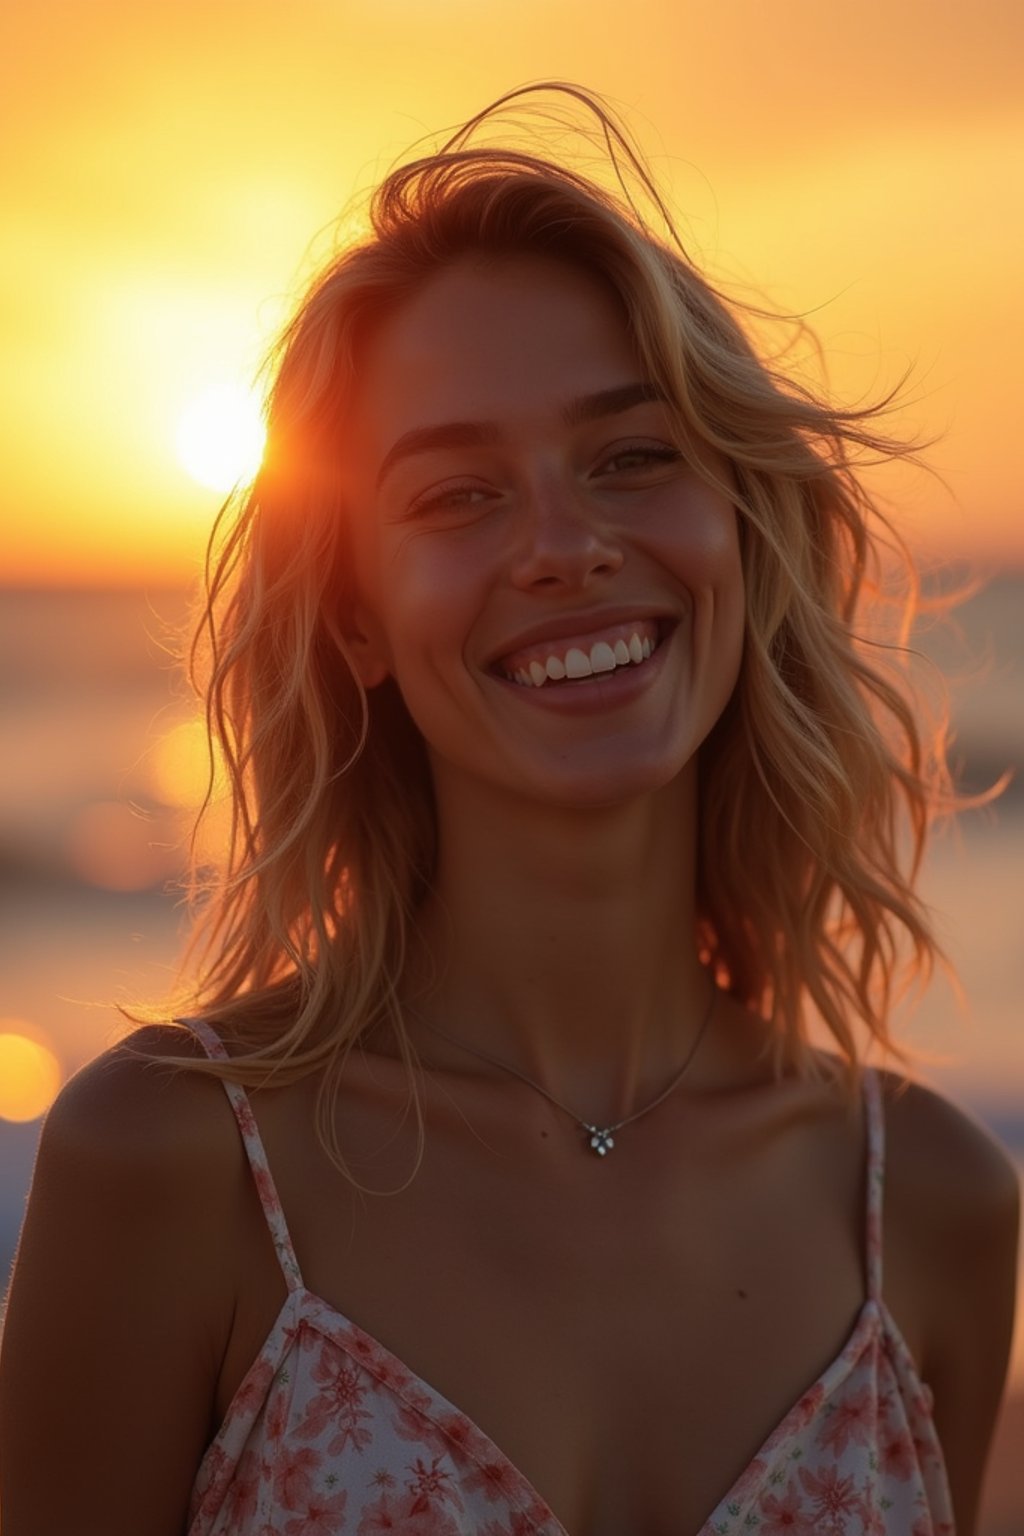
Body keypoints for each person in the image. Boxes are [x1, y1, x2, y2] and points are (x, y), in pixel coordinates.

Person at [0, 82, 1017, 1536]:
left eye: (634, 455)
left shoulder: (928, 1207)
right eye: (458, 494)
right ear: (356, 620)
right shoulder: (178, 1171)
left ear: (741, 525)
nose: (562, 547)